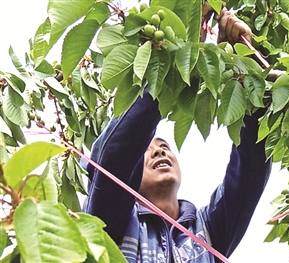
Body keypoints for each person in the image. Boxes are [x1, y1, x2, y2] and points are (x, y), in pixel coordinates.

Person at [83, 3, 272, 263]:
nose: (159, 150)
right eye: (146, 150)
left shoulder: (207, 232)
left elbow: (249, 175)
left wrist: (248, 71)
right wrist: (176, 59)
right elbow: (116, 154)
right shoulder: (110, 221)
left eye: (164, 146)